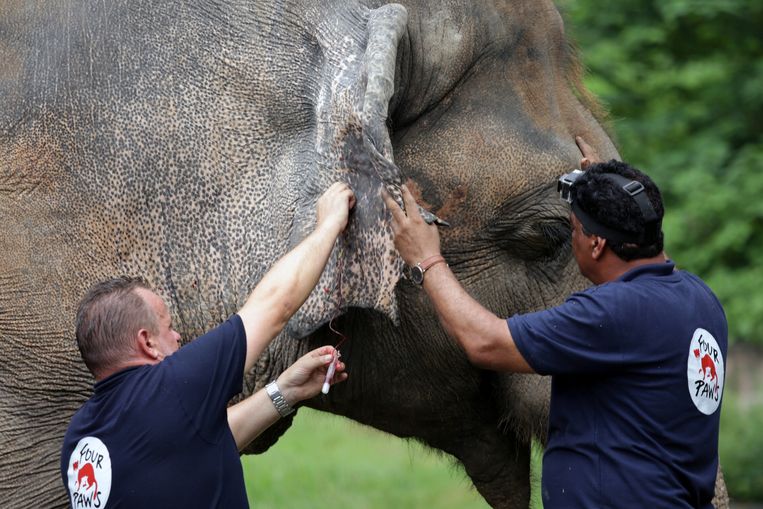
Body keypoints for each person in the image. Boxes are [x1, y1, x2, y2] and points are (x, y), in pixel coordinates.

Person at [382, 138, 727, 508]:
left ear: (596, 245)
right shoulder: (700, 299)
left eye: (573, 230)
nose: (571, 238)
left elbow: (484, 342)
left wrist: (426, 258)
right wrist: (608, 187)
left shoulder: (613, 312)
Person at [61, 182, 355, 508]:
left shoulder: (79, 442)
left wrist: (286, 391)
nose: (177, 338)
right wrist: (329, 223)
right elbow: (275, 306)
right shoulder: (170, 387)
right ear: (146, 342)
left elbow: (198, 442)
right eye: (168, 327)